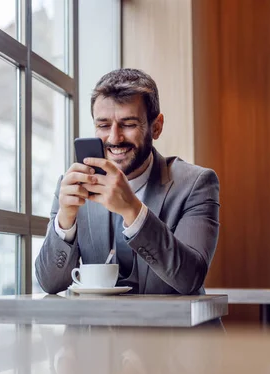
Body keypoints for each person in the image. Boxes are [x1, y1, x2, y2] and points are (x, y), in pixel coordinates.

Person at [35, 68, 220, 296]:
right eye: (103, 126)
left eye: (128, 124)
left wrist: (133, 210)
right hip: (100, 330)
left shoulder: (196, 184)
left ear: (156, 126)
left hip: (173, 330)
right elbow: (49, 283)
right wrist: (65, 221)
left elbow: (190, 279)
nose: (114, 138)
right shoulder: (74, 185)